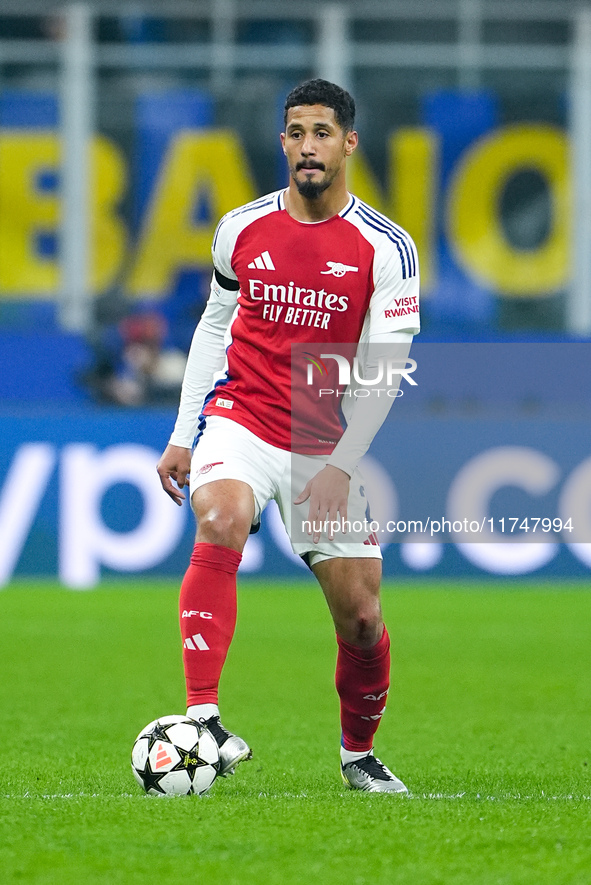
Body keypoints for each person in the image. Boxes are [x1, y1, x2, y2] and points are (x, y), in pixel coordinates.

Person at [157, 79, 420, 792]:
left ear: (348, 143)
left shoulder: (386, 247)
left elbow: (385, 370)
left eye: (322, 133)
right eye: (296, 132)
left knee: (362, 617)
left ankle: (357, 753)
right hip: (240, 415)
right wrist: (185, 433)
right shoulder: (239, 228)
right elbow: (215, 327)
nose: (308, 146)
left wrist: (342, 461)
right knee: (220, 515)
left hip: (320, 434)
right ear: (282, 141)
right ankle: (203, 717)